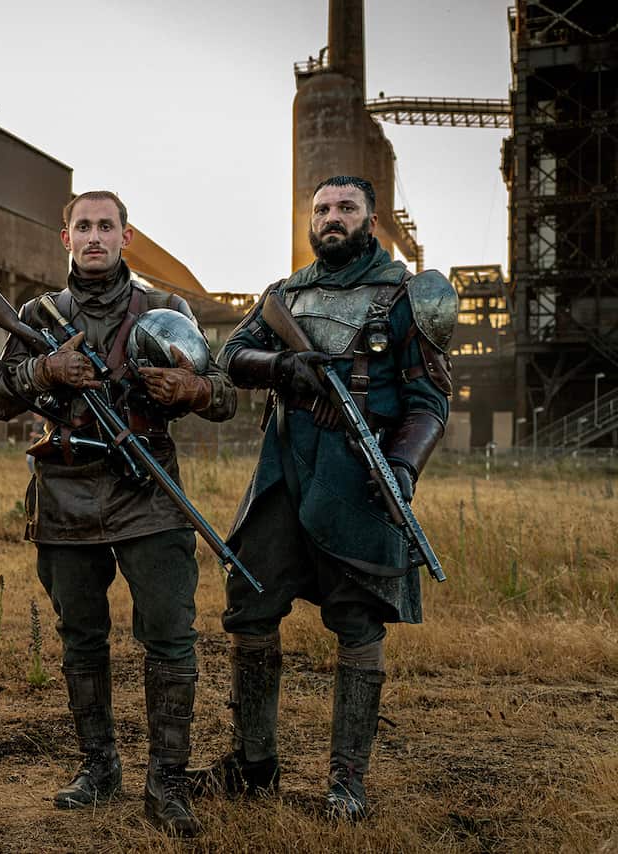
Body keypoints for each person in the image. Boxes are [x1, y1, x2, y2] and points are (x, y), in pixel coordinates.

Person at [195, 175, 455, 821]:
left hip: (360, 477)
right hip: (283, 472)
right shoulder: (285, 294)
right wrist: (284, 368)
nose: (332, 218)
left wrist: (402, 466)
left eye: (346, 208)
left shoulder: (404, 295)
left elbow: (428, 401)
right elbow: (231, 355)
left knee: (358, 622)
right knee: (250, 609)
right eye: (322, 210)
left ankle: (347, 784)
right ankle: (253, 768)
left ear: (372, 220)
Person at [0, 190, 237, 836]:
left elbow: (228, 396)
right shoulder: (37, 315)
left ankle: (167, 784)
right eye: (83, 226)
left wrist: (195, 388)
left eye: (107, 225)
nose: (94, 236)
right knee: (81, 641)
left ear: (127, 238)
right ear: (63, 237)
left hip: (149, 496)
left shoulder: (168, 310)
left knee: (172, 642)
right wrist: (45, 369)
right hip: (64, 501)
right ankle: (99, 770)